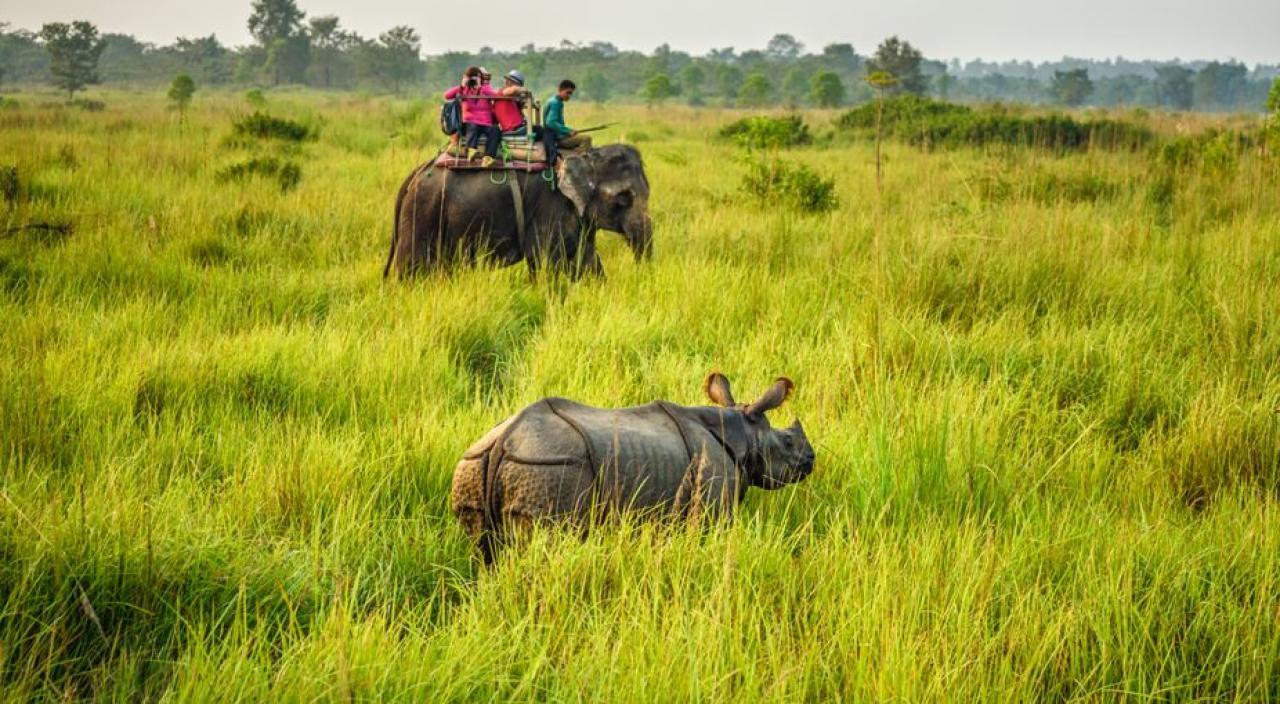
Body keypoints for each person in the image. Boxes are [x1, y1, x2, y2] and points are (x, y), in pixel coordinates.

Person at [443, 66, 500, 167]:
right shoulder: (464, 90)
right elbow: (447, 95)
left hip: (485, 124)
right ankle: (471, 150)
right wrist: (461, 85)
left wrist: (481, 86)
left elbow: (496, 95)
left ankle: (488, 157)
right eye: (471, 78)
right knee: (472, 125)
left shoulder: (485, 89)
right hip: (470, 124)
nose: (473, 81)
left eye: (476, 78)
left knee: (495, 129)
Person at [543, 79, 592, 166]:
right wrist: (568, 131)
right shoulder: (556, 103)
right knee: (586, 139)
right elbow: (551, 122)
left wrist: (568, 131)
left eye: (571, 94)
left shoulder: (552, 100)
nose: (569, 96)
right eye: (568, 92)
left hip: (554, 135)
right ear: (560, 90)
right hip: (557, 138)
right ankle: (581, 162)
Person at [494, 70, 531, 138]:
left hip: (517, 127)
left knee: (537, 129)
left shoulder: (512, 98)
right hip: (514, 129)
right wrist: (525, 90)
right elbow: (513, 90)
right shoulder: (503, 91)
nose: (506, 82)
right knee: (539, 129)